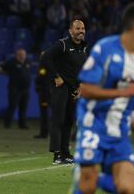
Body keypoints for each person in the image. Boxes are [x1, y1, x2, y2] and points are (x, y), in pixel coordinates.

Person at [71, 3, 134, 194]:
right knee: (87, 188)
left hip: (119, 129)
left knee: (125, 188)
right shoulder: (106, 49)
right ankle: (87, 178)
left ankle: (92, 177)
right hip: (94, 124)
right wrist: (123, 93)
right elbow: (86, 90)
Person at [42, 19, 88, 165]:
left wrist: (81, 85)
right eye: (77, 28)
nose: (81, 31)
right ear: (70, 31)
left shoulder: (84, 48)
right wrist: (56, 76)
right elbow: (46, 57)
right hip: (60, 88)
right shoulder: (62, 44)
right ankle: (57, 154)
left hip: (73, 89)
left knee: (69, 121)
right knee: (58, 119)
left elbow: (81, 69)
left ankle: (66, 153)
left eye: (82, 28)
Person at [0, 48, 31, 129]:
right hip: (14, 88)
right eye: (20, 55)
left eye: (23, 55)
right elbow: (1, 68)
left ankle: (22, 124)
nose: (22, 56)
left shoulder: (27, 62)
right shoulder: (11, 62)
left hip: (25, 89)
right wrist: (10, 75)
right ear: (17, 55)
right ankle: (7, 124)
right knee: (12, 106)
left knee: (23, 108)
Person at [34, 52, 50, 139]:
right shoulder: (53, 65)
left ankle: (44, 133)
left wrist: (38, 87)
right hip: (49, 92)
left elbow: (41, 78)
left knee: (44, 113)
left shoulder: (44, 66)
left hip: (45, 94)